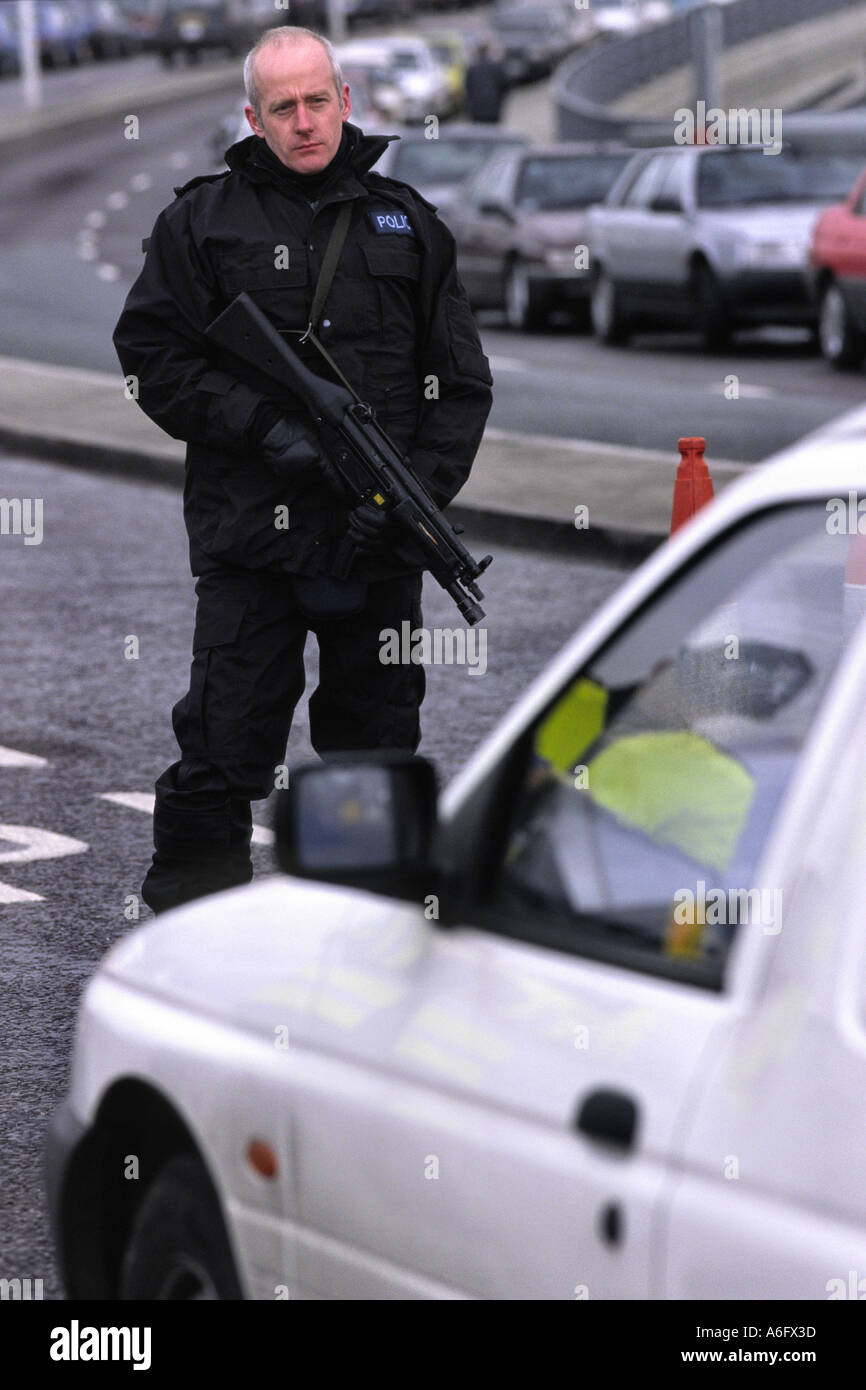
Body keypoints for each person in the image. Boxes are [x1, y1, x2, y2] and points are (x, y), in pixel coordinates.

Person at [113, 24, 493, 914]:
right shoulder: (201, 221)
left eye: (318, 100)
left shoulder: (407, 222)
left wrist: (413, 501)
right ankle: (192, 950)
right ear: (253, 117)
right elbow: (151, 360)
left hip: (378, 552)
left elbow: (462, 385)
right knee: (220, 753)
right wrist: (268, 431)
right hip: (252, 547)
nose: (305, 121)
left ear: (346, 101)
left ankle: (362, 942)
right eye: (282, 107)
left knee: (375, 766)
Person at [463, 44, 508, 125]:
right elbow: (506, 85)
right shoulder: (496, 67)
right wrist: (499, 98)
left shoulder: (472, 69)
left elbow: (467, 88)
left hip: (476, 108)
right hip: (493, 107)